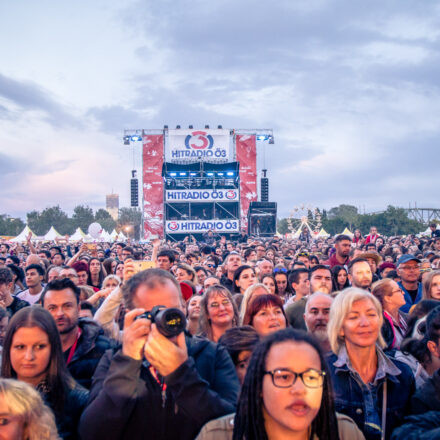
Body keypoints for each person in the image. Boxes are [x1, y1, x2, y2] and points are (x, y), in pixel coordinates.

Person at [79, 268, 239, 440]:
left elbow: (234, 426)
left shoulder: (212, 354)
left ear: (183, 307)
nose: (162, 321)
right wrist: (127, 364)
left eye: (170, 312)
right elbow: (91, 432)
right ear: (131, 315)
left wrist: (181, 375)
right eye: (152, 314)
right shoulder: (114, 361)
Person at [229, 328, 364, 440]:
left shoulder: (345, 433)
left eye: (311, 377)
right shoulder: (218, 434)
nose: (300, 389)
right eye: (284, 377)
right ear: (259, 385)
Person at [327, 288, 415, 440]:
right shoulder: (323, 372)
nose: (365, 323)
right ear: (340, 328)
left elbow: (413, 429)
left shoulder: (402, 374)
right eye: (353, 317)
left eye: (371, 315)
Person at [1, 307, 89, 439]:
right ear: (9, 348)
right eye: (20, 347)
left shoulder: (78, 402)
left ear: (53, 348)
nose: (29, 356)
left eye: (39, 347)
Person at [41, 278, 115, 389]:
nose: (60, 313)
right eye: (52, 308)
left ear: (78, 308)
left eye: (67, 306)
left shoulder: (105, 350)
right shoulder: (34, 349)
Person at [371, 279, 407, 349]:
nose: (403, 293)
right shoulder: (380, 323)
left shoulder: (405, 317)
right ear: (388, 298)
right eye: (399, 291)